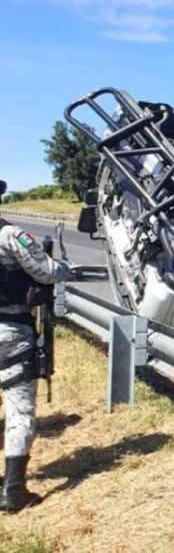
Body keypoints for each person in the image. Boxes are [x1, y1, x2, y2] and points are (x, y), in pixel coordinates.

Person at [0, 179, 71, 512]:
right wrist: (62, 266)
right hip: (10, 330)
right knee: (19, 409)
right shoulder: (10, 236)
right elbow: (46, 273)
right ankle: (13, 490)